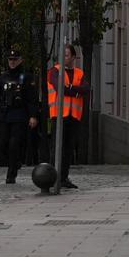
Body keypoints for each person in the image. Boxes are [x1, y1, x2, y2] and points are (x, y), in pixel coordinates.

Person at [0, 48, 38, 184]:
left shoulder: (26, 77)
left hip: (19, 115)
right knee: (2, 143)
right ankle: (15, 162)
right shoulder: (3, 77)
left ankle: (11, 174)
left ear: (20, 60)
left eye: (15, 59)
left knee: (14, 144)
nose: (12, 62)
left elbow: (32, 98)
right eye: (10, 59)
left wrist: (33, 116)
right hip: (5, 115)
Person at [46, 44, 88, 189]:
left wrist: (71, 88)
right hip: (58, 116)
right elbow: (60, 88)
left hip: (73, 116)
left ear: (73, 57)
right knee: (56, 148)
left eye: (67, 55)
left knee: (68, 149)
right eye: (62, 55)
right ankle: (52, 178)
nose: (64, 57)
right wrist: (75, 91)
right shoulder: (54, 71)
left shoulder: (79, 73)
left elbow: (86, 89)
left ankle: (63, 178)